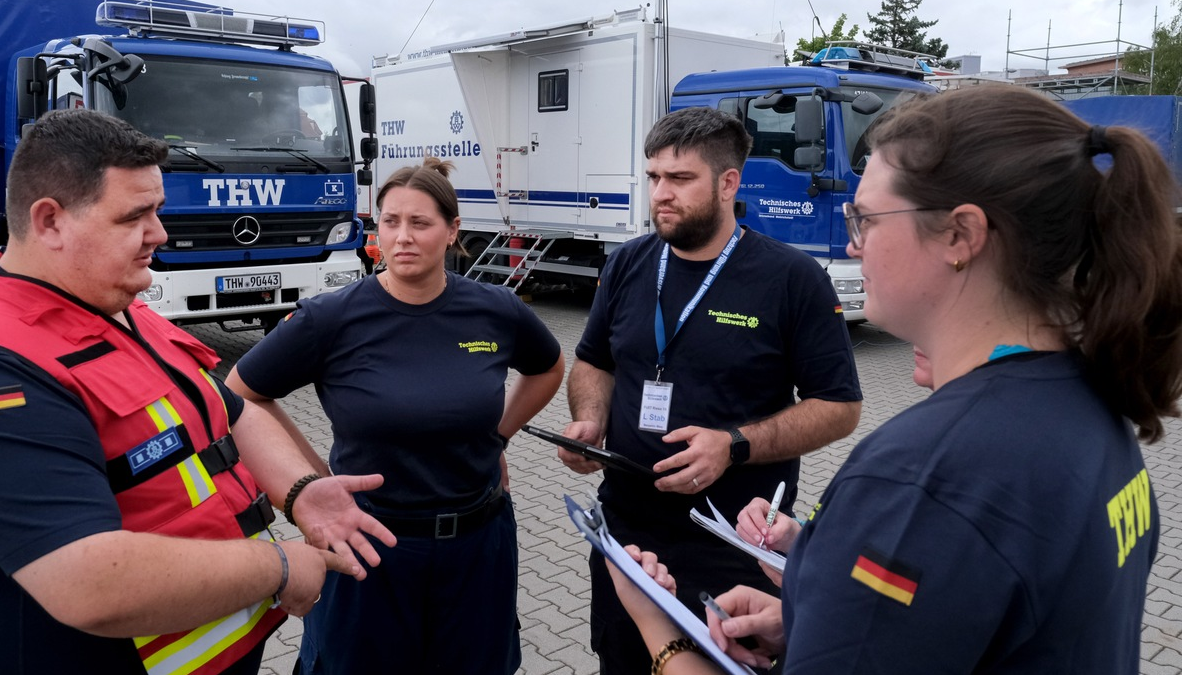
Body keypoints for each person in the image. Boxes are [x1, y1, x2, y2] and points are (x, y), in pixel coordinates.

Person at [609, 85, 1182, 673]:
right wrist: (807, 612)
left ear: (960, 237)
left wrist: (659, 625)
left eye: (867, 218)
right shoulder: (1095, 405)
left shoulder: (917, 480)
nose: (855, 246)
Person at [0, 109, 397, 675]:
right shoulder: (1, 363)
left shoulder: (121, 306)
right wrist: (278, 567)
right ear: (50, 221)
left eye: (158, 210)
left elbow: (228, 407)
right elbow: (86, 580)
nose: (160, 234)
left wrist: (300, 491)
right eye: (136, 216)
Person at [226, 156, 565, 674]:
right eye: (390, 222)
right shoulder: (331, 318)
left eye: (420, 223)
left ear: (453, 231)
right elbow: (241, 395)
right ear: (375, 228)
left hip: (477, 548)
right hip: (367, 546)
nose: (403, 237)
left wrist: (497, 437)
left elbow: (547, 368)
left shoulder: (495, 308)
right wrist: (309, 481)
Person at [559, 105, 862, 674]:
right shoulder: (629, 263)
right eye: (653, 178)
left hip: (731, 544)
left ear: (728, 182)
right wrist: (590, 420)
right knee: (625, 661)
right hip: (627, 536)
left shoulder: (792, 279)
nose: (660, 195)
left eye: (679, 179)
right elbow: (593, 362)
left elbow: (840, 407)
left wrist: (735, 444)